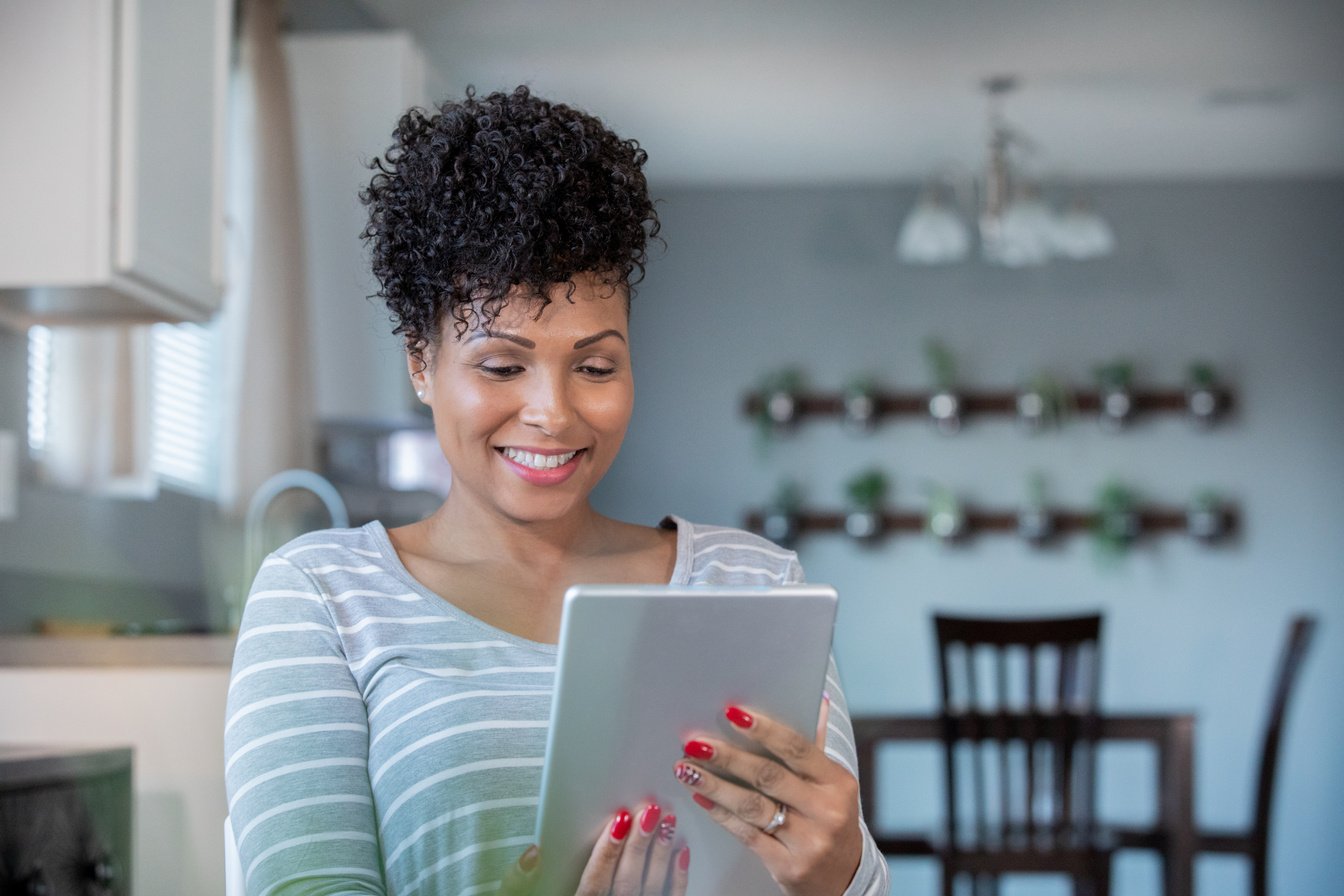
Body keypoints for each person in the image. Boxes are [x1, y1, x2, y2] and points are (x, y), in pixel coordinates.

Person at [224, 85, 890, 896]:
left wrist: (842, 873)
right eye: (502, 365)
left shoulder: (753, 583)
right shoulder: (324, 599)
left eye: (596, 366)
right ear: (421, 361)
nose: (554, 412)